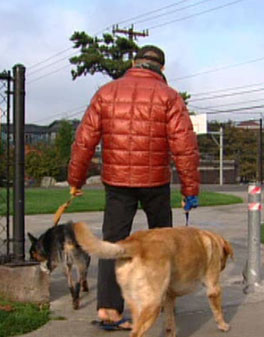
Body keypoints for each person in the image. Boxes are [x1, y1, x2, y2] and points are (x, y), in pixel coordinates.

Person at [67, 45, 200, 330]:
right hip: (156, 183)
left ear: (134, 62)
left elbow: (84, 140)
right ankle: (162, 302)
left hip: (117, 183)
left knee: (113, 244)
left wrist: (75, 180)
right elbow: (185, 148)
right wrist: (190, 190)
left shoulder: (107, 92)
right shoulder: (170, 97)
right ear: (161, 69)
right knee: (164, 244)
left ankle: (108, 311)